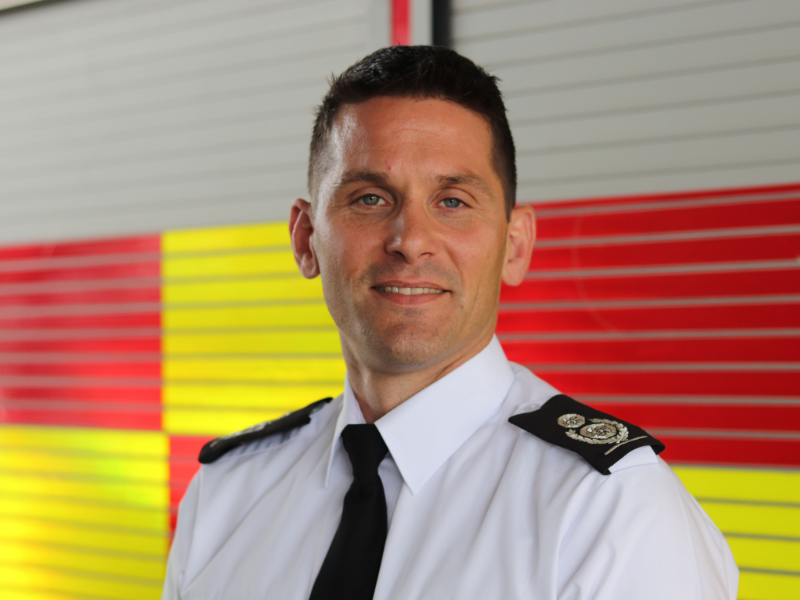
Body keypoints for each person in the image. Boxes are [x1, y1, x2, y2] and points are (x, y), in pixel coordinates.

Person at [161, 46, 738, 600]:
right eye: (369, 198)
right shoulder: (227, 493)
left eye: (453, 202)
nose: (410, 241)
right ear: (307, 240)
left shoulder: (610, 511)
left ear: (514, 246)